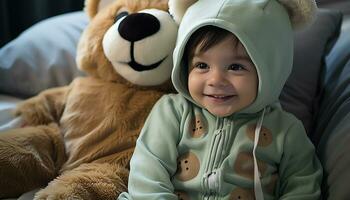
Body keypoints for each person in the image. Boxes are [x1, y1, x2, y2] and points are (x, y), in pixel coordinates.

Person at [118, 0, 322, 199]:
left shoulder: (286, 131)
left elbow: (304, 187)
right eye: (201, 65)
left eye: (235, 67)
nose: (215, 80)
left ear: (271, 70)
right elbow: (148, 174)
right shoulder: (173, 112)